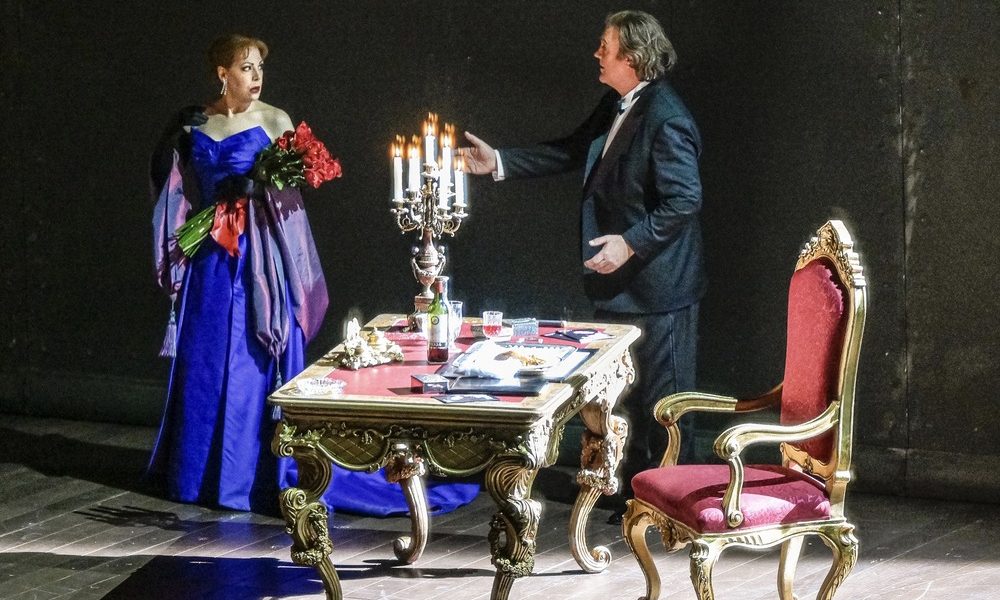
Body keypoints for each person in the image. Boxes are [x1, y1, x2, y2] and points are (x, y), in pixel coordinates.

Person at [148, 34, 478, 515]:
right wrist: (170, 134)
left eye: (260, 67)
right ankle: (195, 475)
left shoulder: (274, 119)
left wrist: (260, 185)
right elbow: (168, 179)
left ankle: (251, 476)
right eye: (246, 67)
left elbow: (291, 200)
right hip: (212, 257)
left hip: (259, 257)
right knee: (204, 359)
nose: (256, 76)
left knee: (251, 360)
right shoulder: (198, 121)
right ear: (222, 73)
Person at [458, 11, 705, 522]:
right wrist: (498, 161)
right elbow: (574, 150)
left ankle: (669, 507)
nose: (596, 53)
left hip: (660, 287)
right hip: (623, 284)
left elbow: (684, 200)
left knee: (664, 404)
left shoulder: (667, 117)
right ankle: (632, 491)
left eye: (605, 47)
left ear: (631, 58)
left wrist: (629, 244)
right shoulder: (619, 102)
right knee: (627, 396)